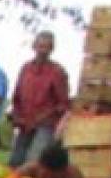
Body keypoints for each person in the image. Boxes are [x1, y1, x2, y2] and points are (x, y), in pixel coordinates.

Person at [9, 31, 70, 169]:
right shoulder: (26, 68)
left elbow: (63, 104)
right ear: (34, 46)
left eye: (47, 47)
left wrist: (43, 118)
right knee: (15, 161)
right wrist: (17, 116)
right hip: (24, 123)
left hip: (45, 124)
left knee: (34, 161)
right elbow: (17, 96)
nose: (43, 51)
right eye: (40, 46)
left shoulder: (57, 72)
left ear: (52, 49)